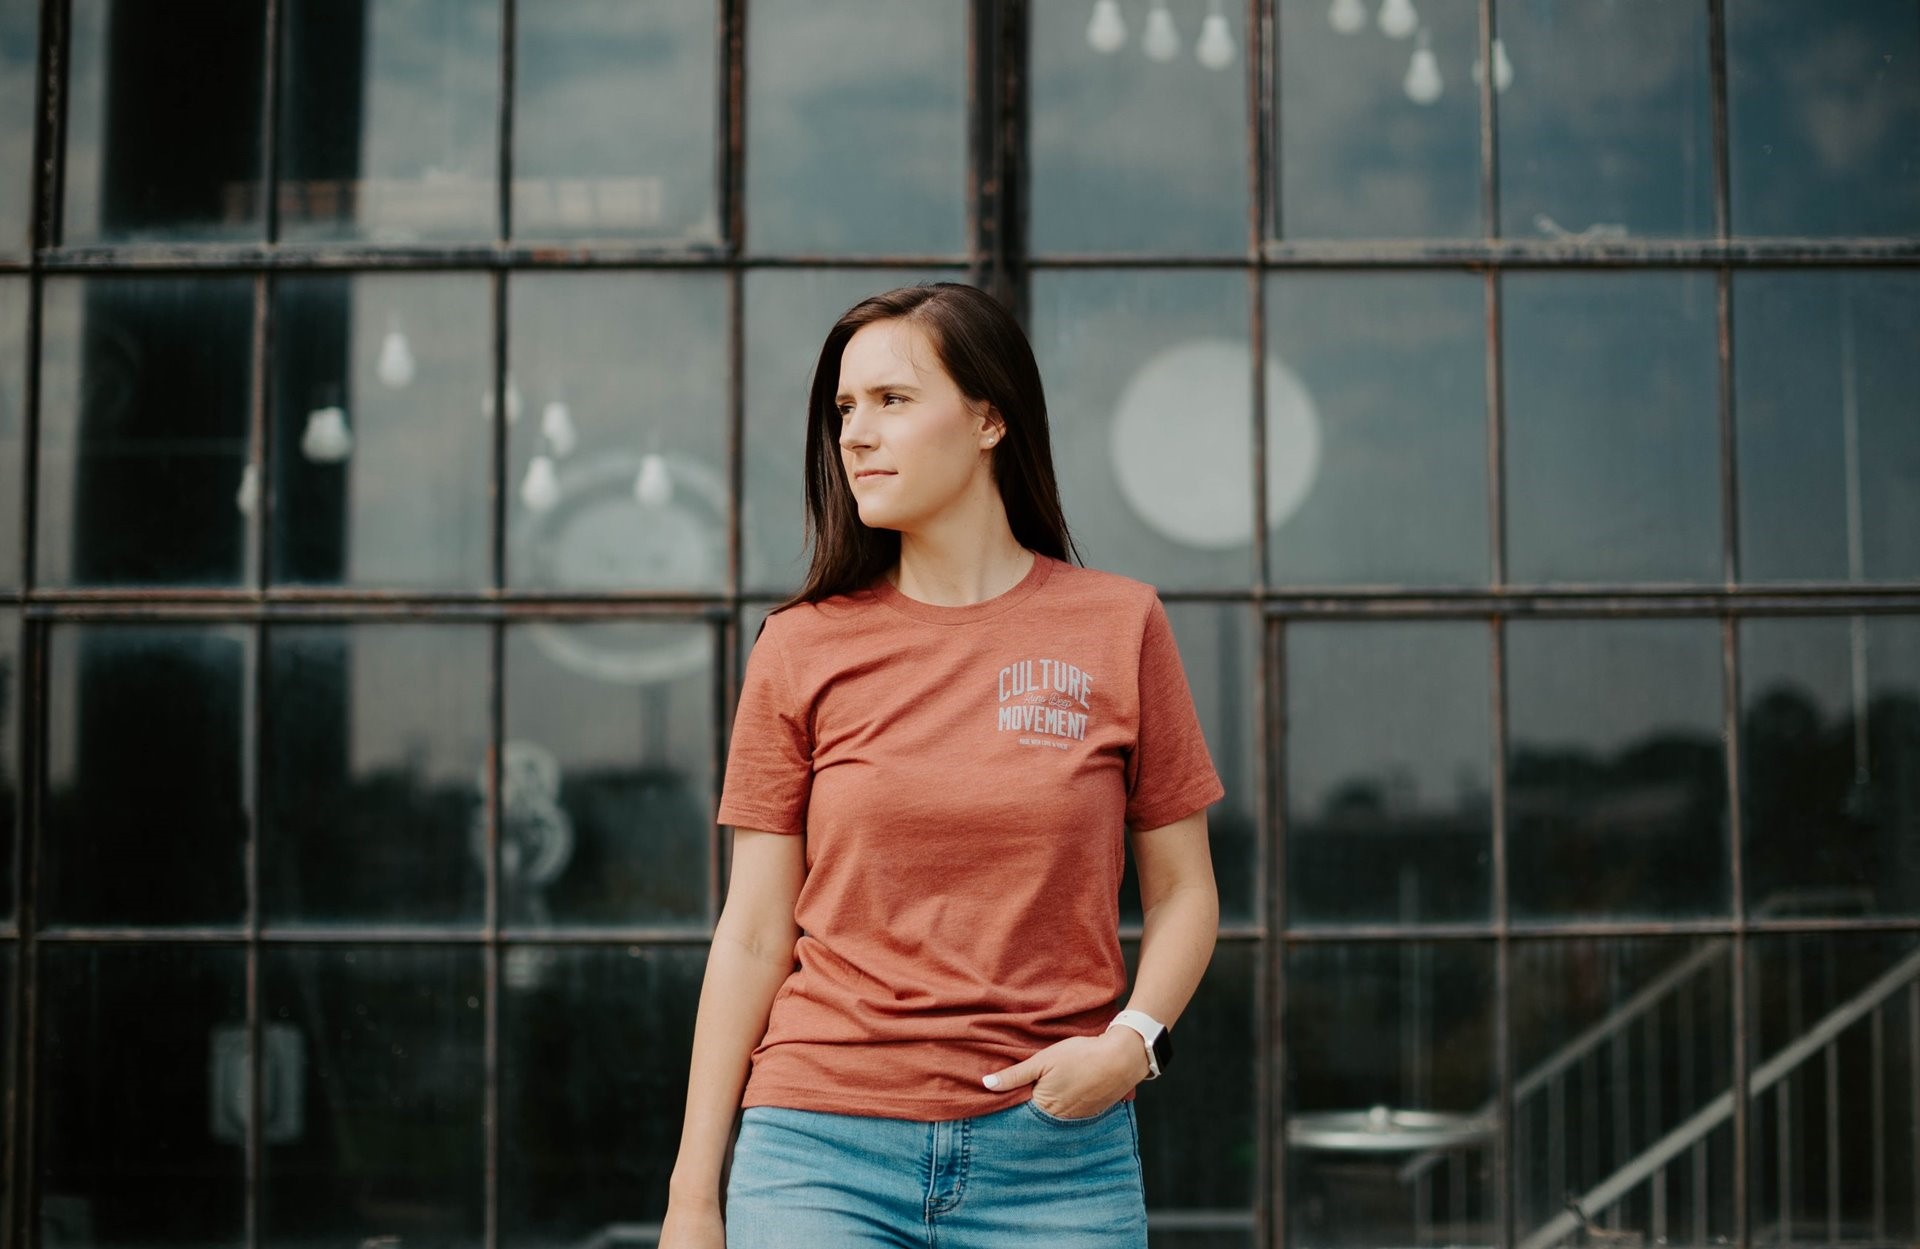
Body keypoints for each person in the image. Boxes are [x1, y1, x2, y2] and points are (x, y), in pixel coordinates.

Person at [659, 281, 1224, 1249]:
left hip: (1058, 1156)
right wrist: (691, 1197)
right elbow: (753, 933)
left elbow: (1184, 892)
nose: (854, 434)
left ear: (990, 418)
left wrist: (1133, 1045)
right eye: (844, 408)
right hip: (817, 1150)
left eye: (892, 400)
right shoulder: (799, 647)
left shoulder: (1118, 623)